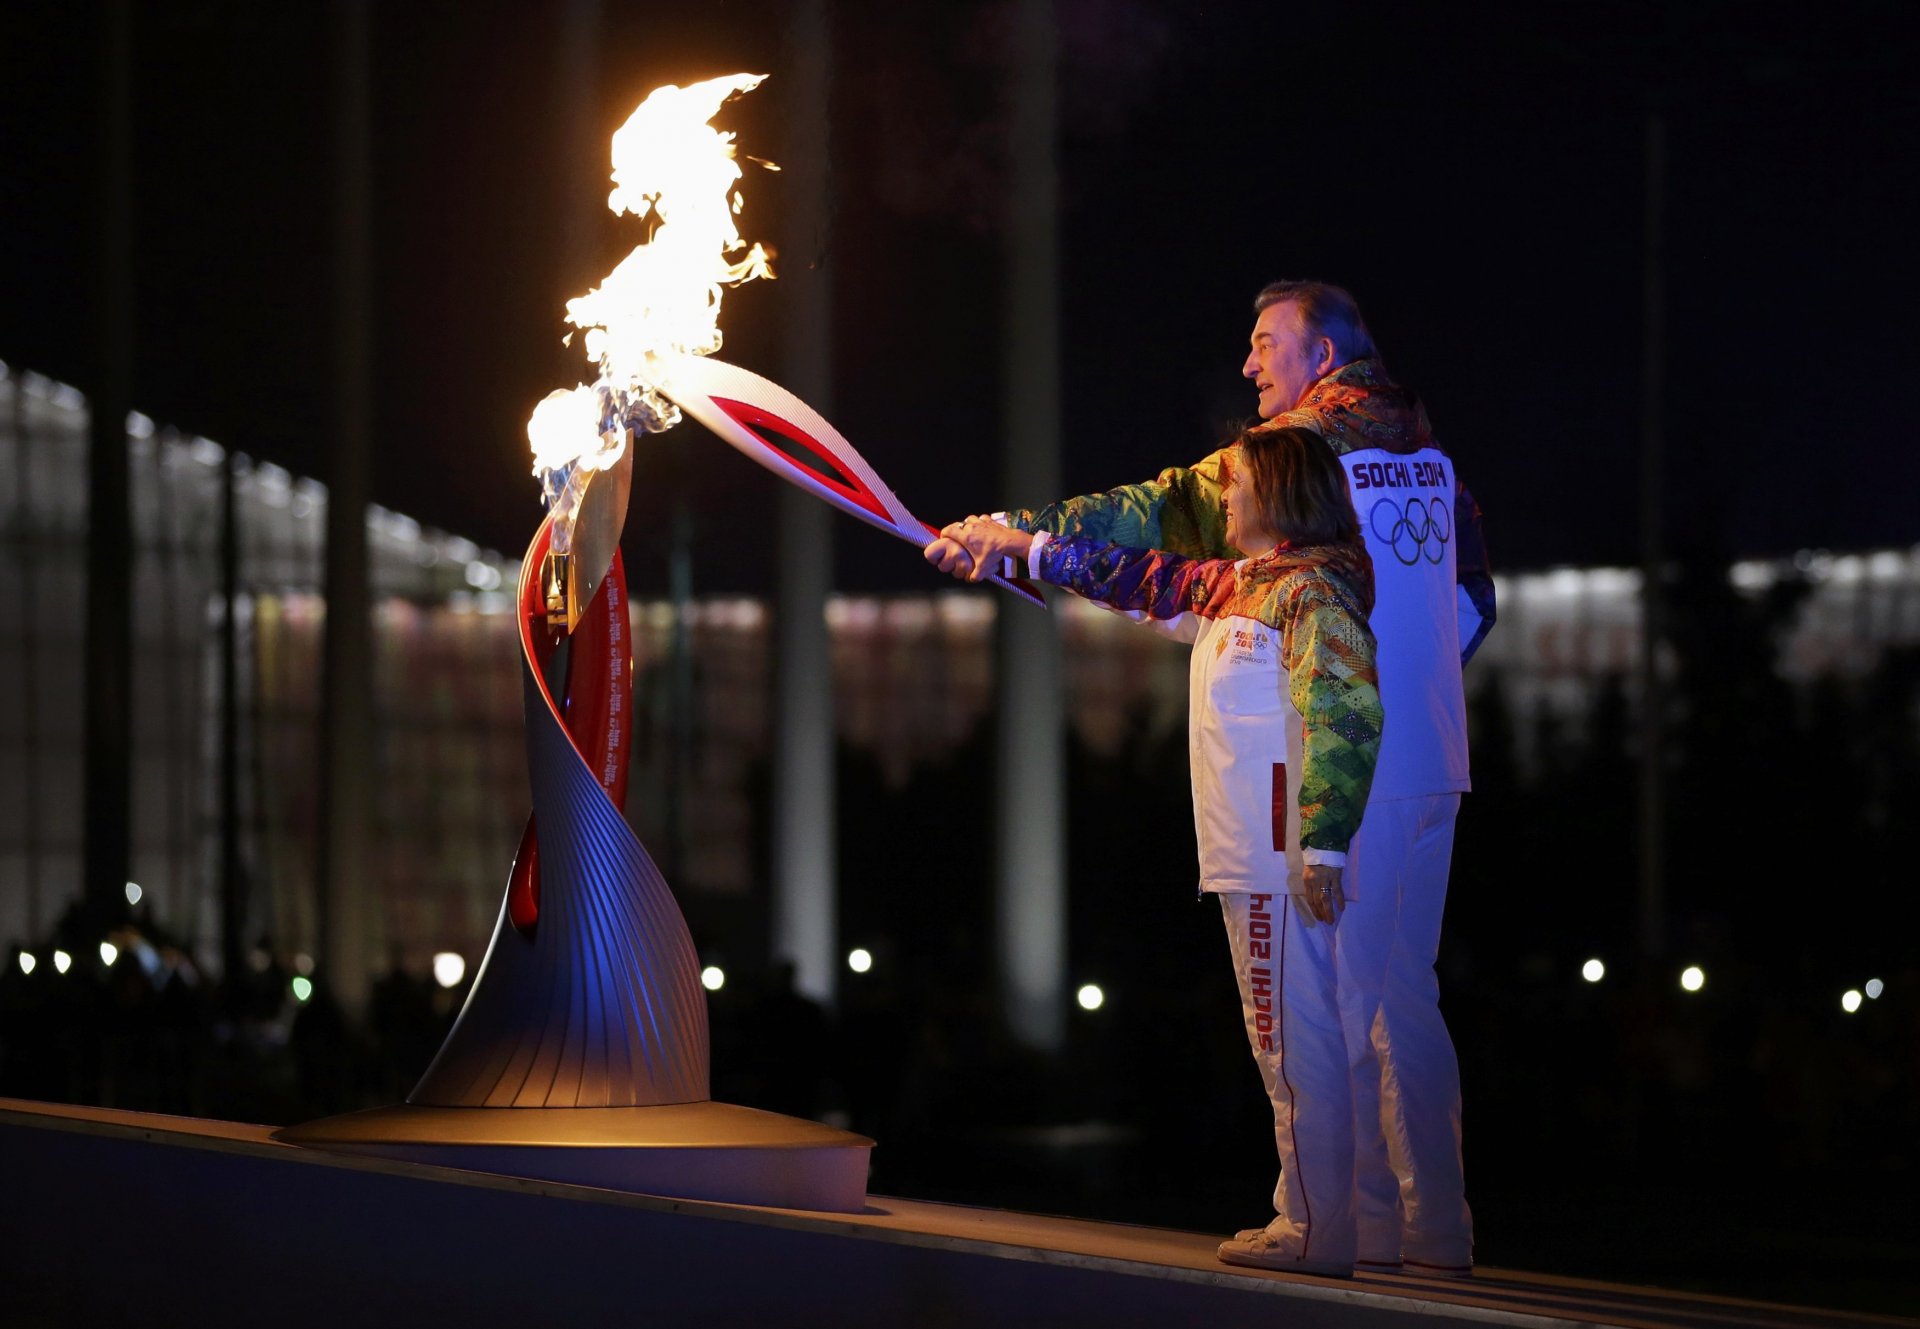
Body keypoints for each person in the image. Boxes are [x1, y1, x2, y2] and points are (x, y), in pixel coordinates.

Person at [932, 280, 1491, 1276]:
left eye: (1266, 342)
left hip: (1333, 764)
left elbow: (1156, 518)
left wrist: (1016, 531)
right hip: (1429, 758)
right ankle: (1429, 1225)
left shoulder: (1295, 455)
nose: (1249, 364)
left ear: (1323, 356)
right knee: (1401, 995)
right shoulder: (1432, 459)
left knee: (1322, 1003)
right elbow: (1475, 603)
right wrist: (1415, 689)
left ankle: (1331, 1222)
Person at [929, 427, 1384, 1276]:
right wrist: (1010, 545)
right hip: (1255, 854)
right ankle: (1315, 1214)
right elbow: (1131, 575)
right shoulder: (1238, 585)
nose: (1224, 497)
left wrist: (1321, 842)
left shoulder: (1311, 590)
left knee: (1294, 1034)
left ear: (1280, 492)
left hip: (1281, 856)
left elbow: (1346, 711)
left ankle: (1320, 1228)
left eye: (1238, 482)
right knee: (1284, 1034)